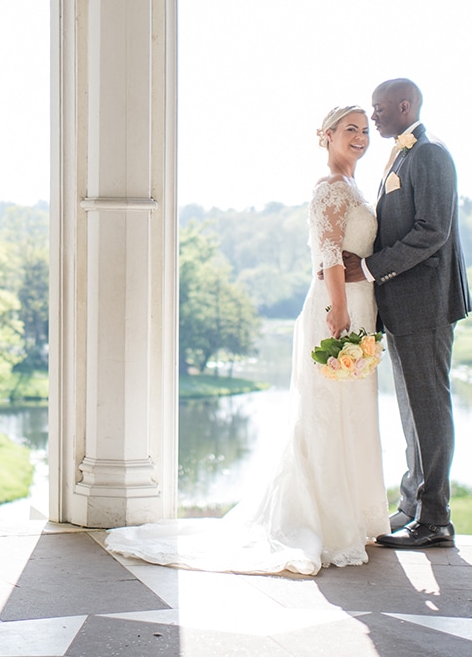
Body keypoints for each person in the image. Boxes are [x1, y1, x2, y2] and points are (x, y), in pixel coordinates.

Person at [102, 106, 385, 576]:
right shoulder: (330, 190)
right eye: (349, 129)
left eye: (364, 130)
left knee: (351, 408)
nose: (359, 137)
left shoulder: (355, 187)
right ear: (327, 136)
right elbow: (331, 253)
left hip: (361, 302)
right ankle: (322, 522)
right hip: (339, 307)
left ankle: (350, 515)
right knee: (326, 411)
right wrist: (339, 310)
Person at [343, 78, 472, 549]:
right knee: (412, 410)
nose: (373, 117)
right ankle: (411, 505)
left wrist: (371, 268)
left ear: (405, 105)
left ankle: (435, 520)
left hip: (426, 304)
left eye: (378, 109)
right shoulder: (401, 153)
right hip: (401, 306)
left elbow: (432, 231)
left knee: (429, 409)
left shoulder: (430, 153)